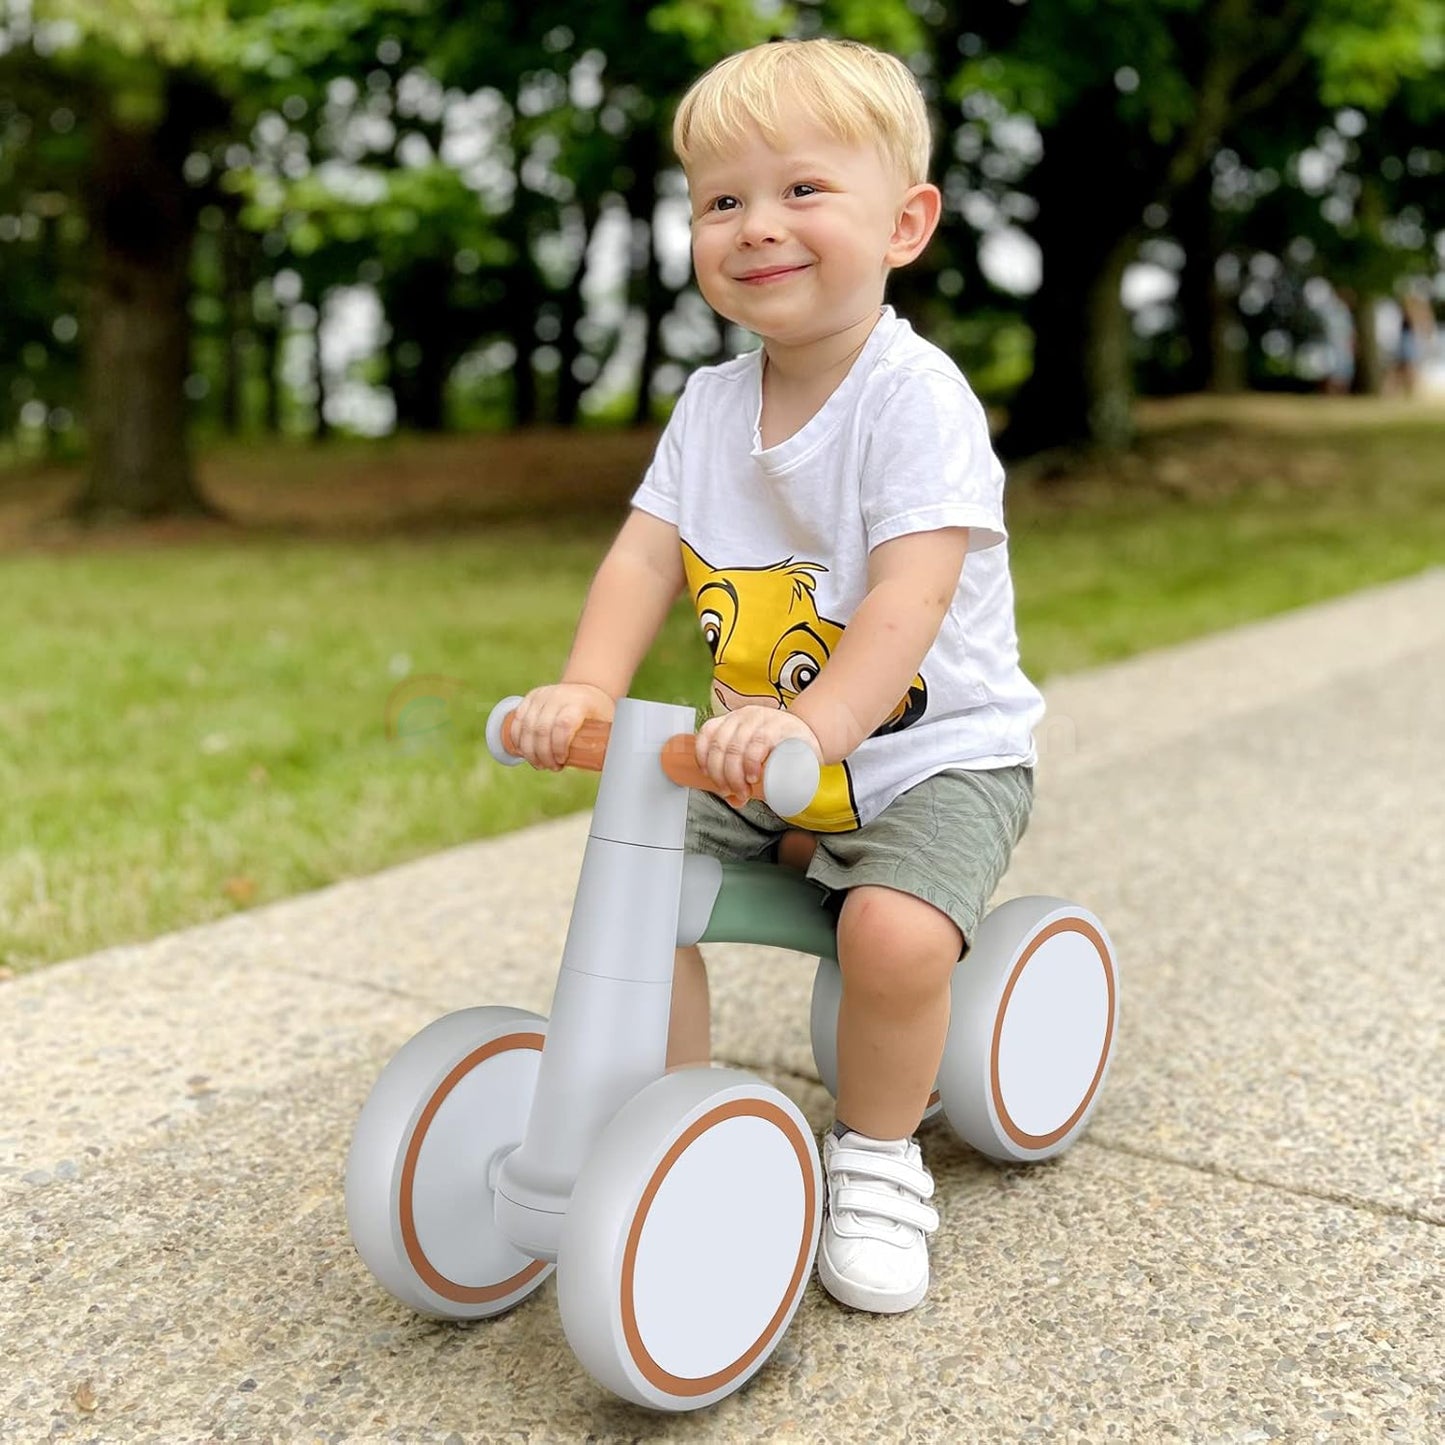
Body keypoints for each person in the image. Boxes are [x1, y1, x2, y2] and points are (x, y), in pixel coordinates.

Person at [506, 36, 1043, 1315]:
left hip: (927, 752)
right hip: (758, 751)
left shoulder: (913, 398)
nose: (757, 226)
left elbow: (910, 599)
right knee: (635, 885)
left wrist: (819, 722)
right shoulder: (705, 405)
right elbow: (642, 560)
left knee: (893, 935)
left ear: (904, 223)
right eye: (721, 201)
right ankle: (670, 1125)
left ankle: (871, 1153)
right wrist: (584, 684)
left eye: (802, 190)